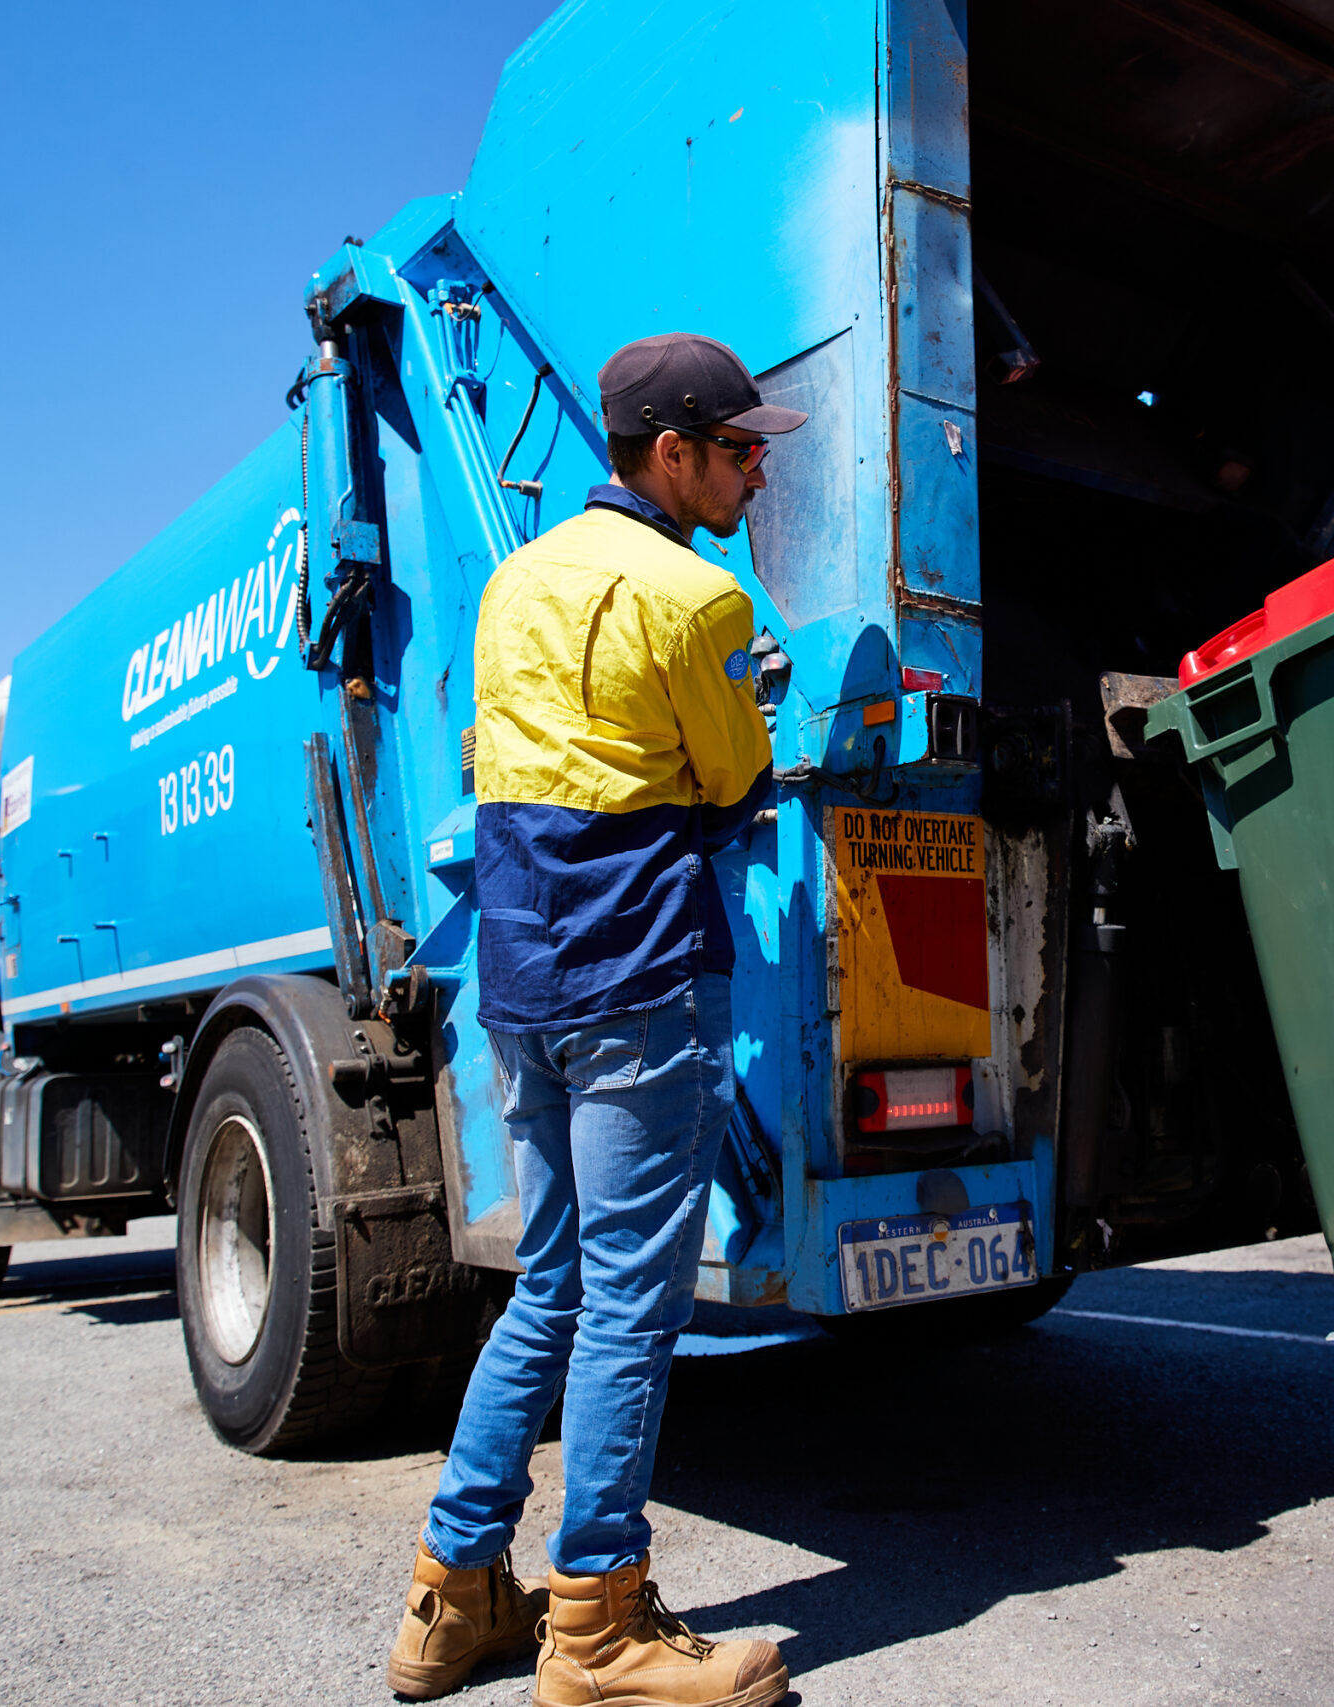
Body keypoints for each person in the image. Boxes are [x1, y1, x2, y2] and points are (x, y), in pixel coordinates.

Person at [386, 333, 800, 1707]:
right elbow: (733, 778)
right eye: (740, 449)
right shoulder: (698, 599)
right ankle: (600, 1626)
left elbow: (492, 753)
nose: (757, 470)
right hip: (641, 969)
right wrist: (745, 731)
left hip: (524, 975)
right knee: (630, 1299)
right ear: (668, 453)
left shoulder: (513, 586)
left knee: (553, 1283)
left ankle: (454, 1598)